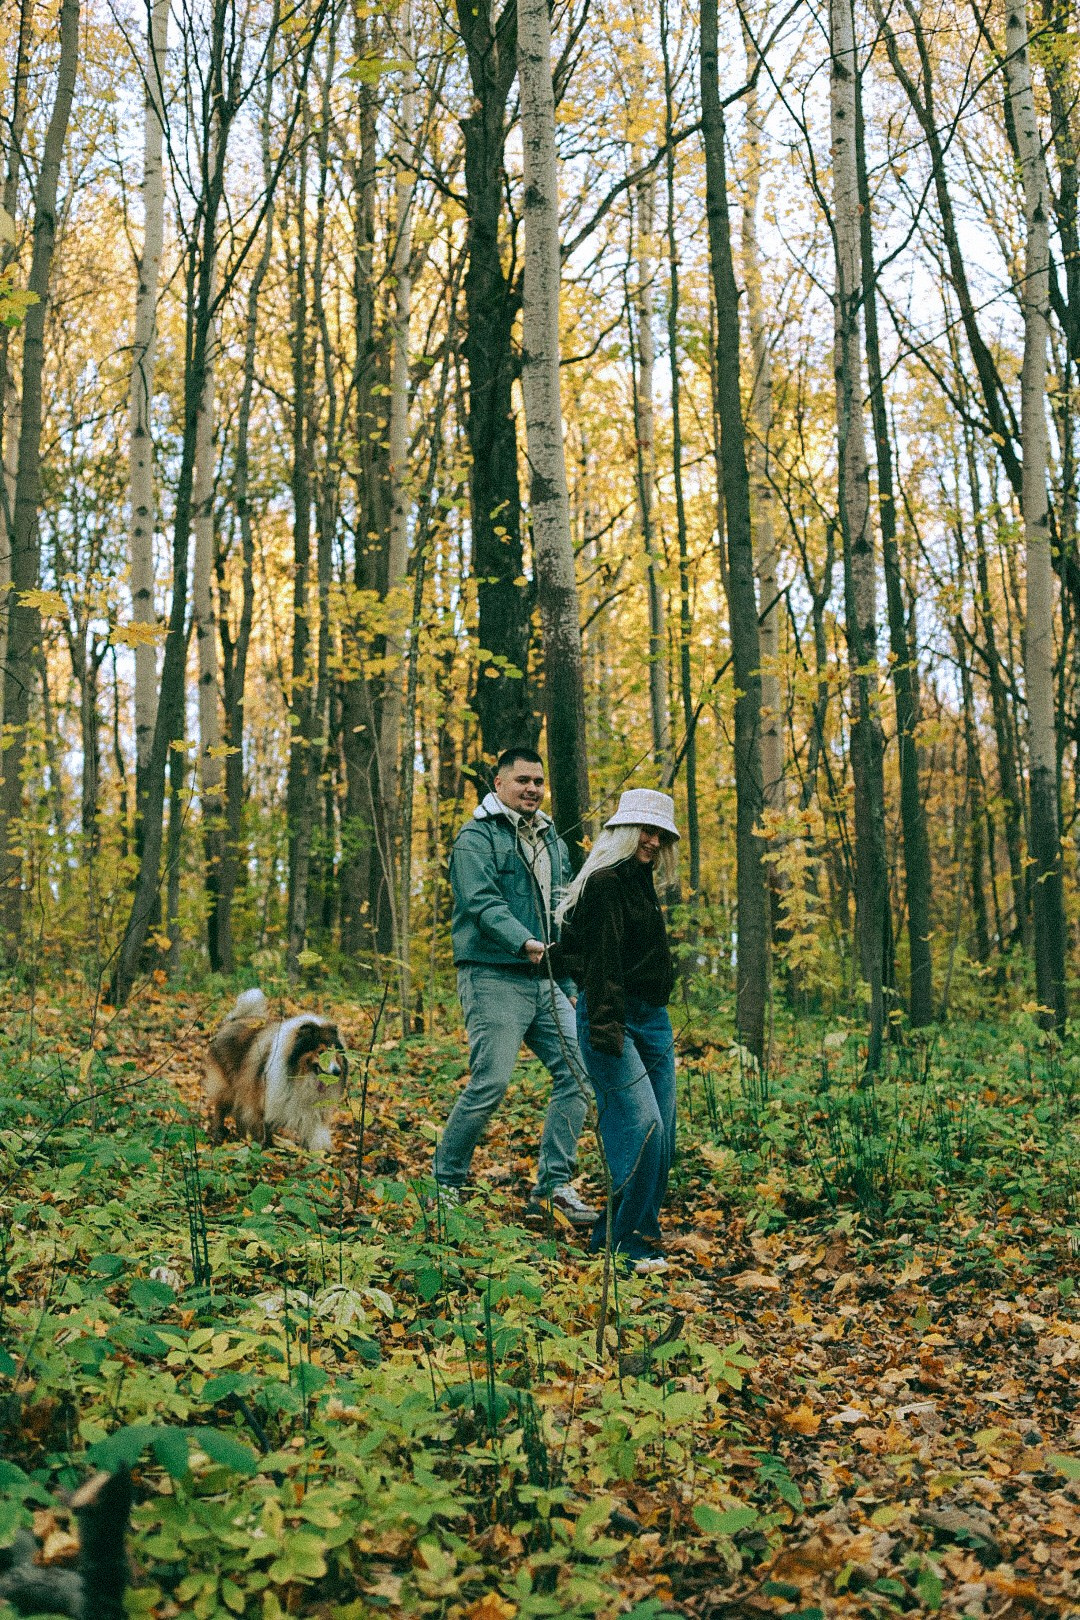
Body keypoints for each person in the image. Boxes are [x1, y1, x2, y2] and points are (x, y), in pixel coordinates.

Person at [435, 746, 599, 1224]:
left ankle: (553, 1188)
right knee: (492, 1081)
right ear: (499, 784)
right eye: (523, 780)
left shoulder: (551, 840)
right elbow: (481, 903)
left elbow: (560, 913)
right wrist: (523, 941)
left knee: (579, 1071)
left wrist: (566, 977)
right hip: (492, 974)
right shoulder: (475, 837)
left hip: (546, 978)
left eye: (538, 782)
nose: (532, 789)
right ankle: (446, 1180)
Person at [553, 788, 679, 1275]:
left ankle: (616, 1234)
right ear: (625, 831)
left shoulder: (641, 881)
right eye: (645, 830)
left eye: (659, 834)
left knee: (661, 1135)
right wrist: (607, 1031)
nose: (652, 841)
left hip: (653, 1020)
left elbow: (594, 949)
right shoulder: (605, 882)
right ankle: (632, 1248)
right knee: (641, 1126)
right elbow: (602, 962)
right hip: (613, 1018)